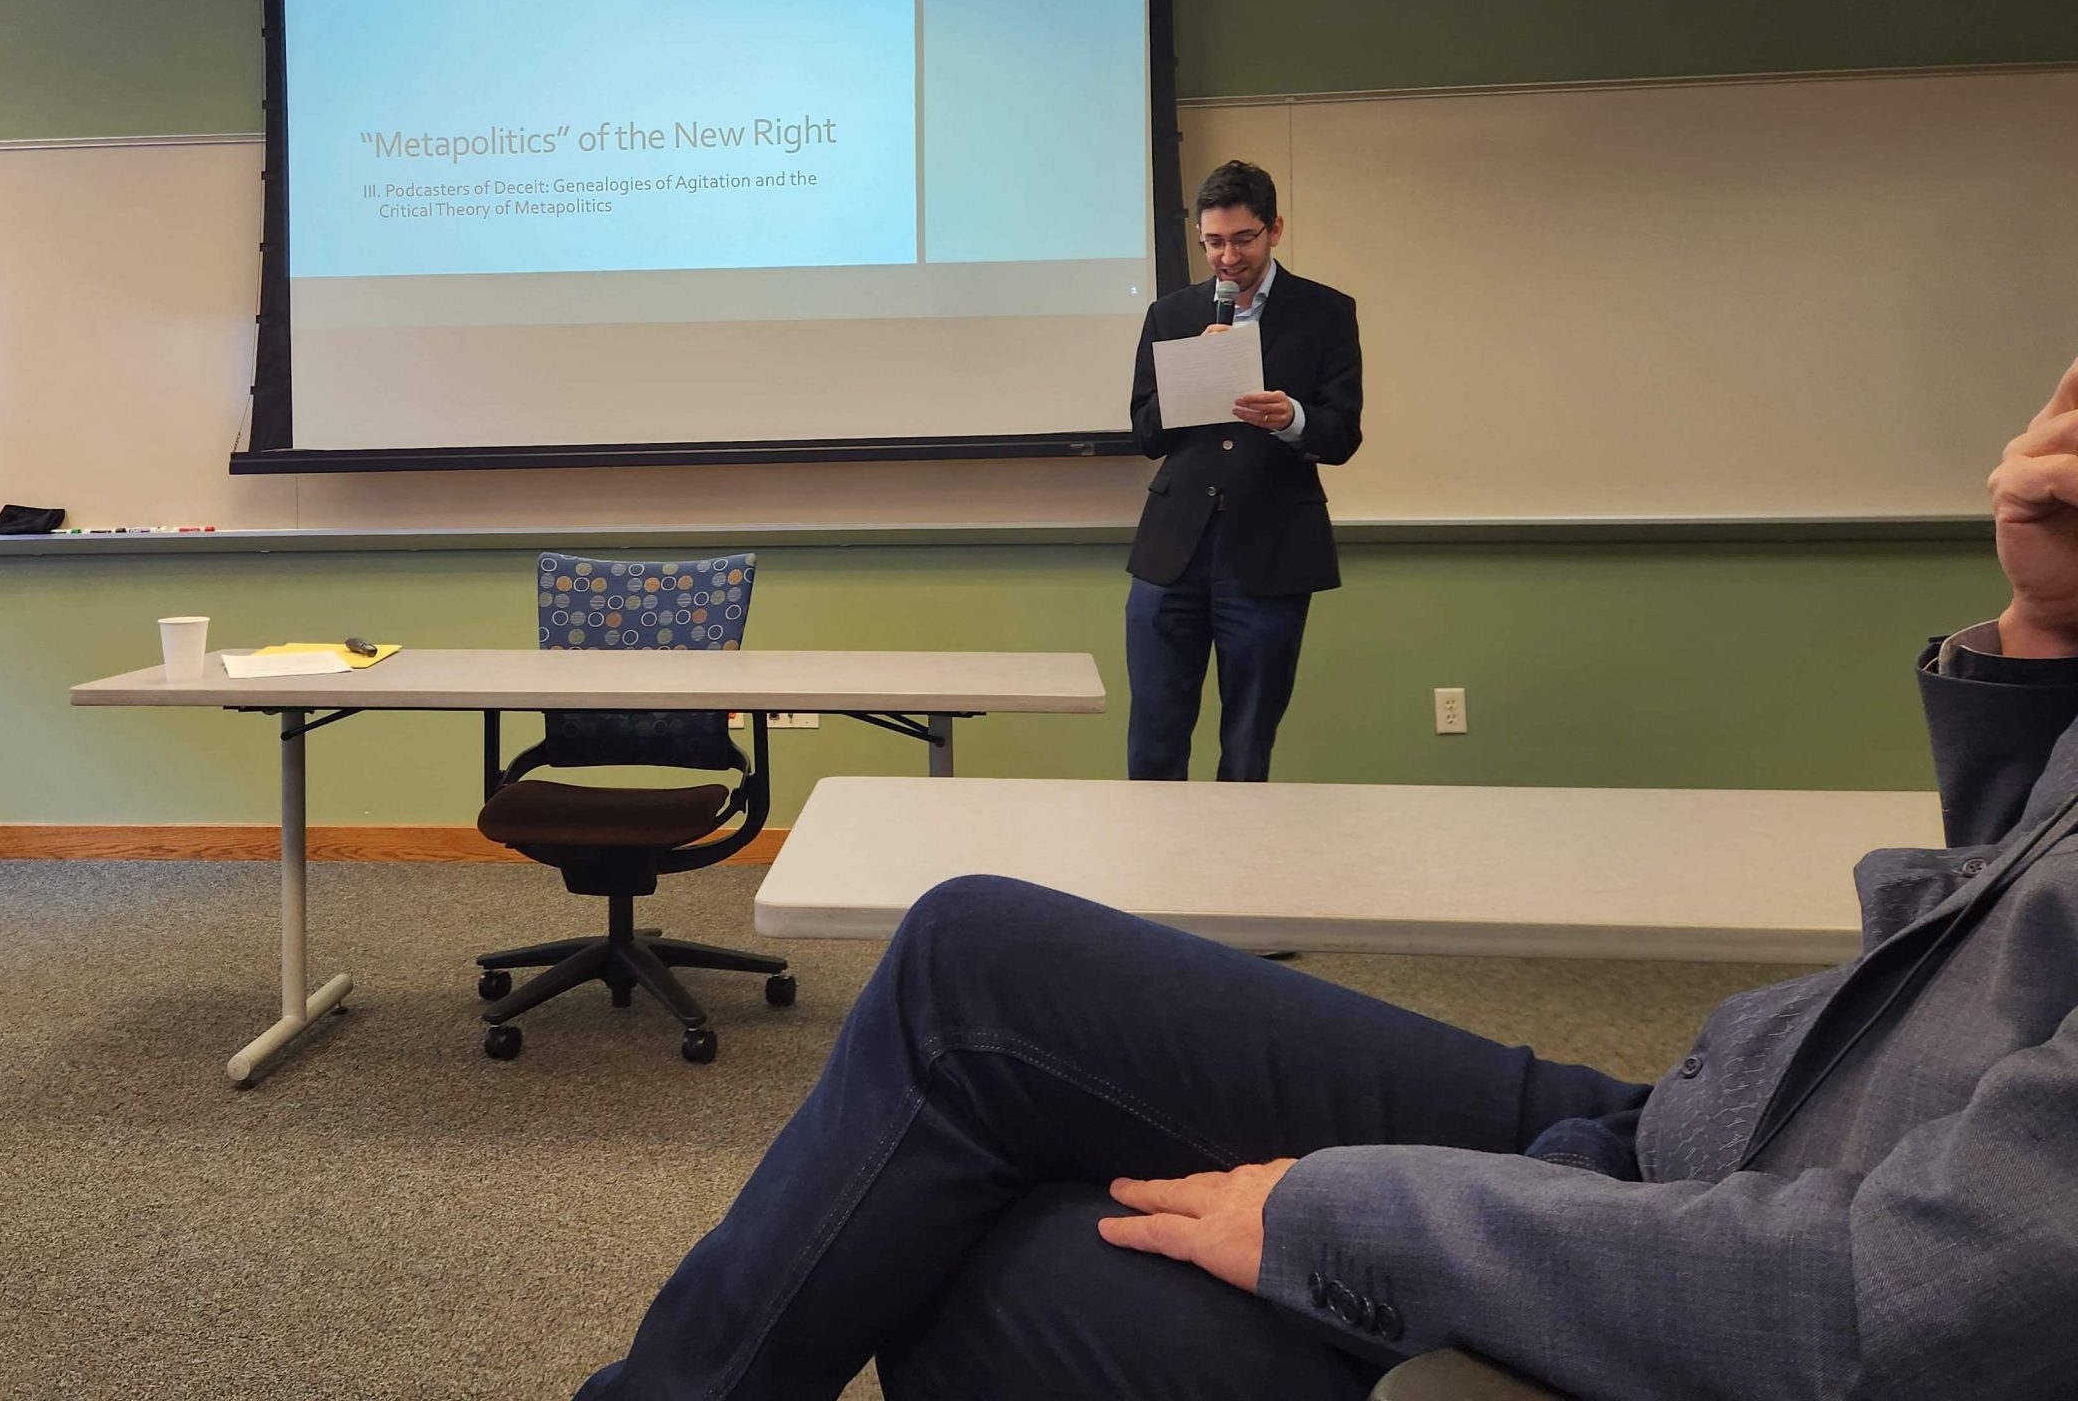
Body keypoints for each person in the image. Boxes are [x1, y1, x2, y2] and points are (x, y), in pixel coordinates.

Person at [579, 356, 2078, 1400]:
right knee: (971, 957)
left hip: (1747, 1237)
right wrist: (2047, 640)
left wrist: (1342, 1216)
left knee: (1011, 1261)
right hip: (1703, 1130)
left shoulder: (1316, 317)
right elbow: (1990, 925)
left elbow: (1894, 1312)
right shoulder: (1176, 317)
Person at [1125, 160, 1362, 782]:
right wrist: (1190, 378)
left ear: (1274, 229)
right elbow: (1145, 433)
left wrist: (1292, 418)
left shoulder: (1325, 312)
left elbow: (1342, 434)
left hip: (1271, 549)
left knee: (1249, 740)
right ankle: (1150, 845)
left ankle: (1236, 849)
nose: (1227, 257)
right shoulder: (1171, 314)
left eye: (1242, 239)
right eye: (1213, 242)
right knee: (1154, 731)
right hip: (1173, 550)